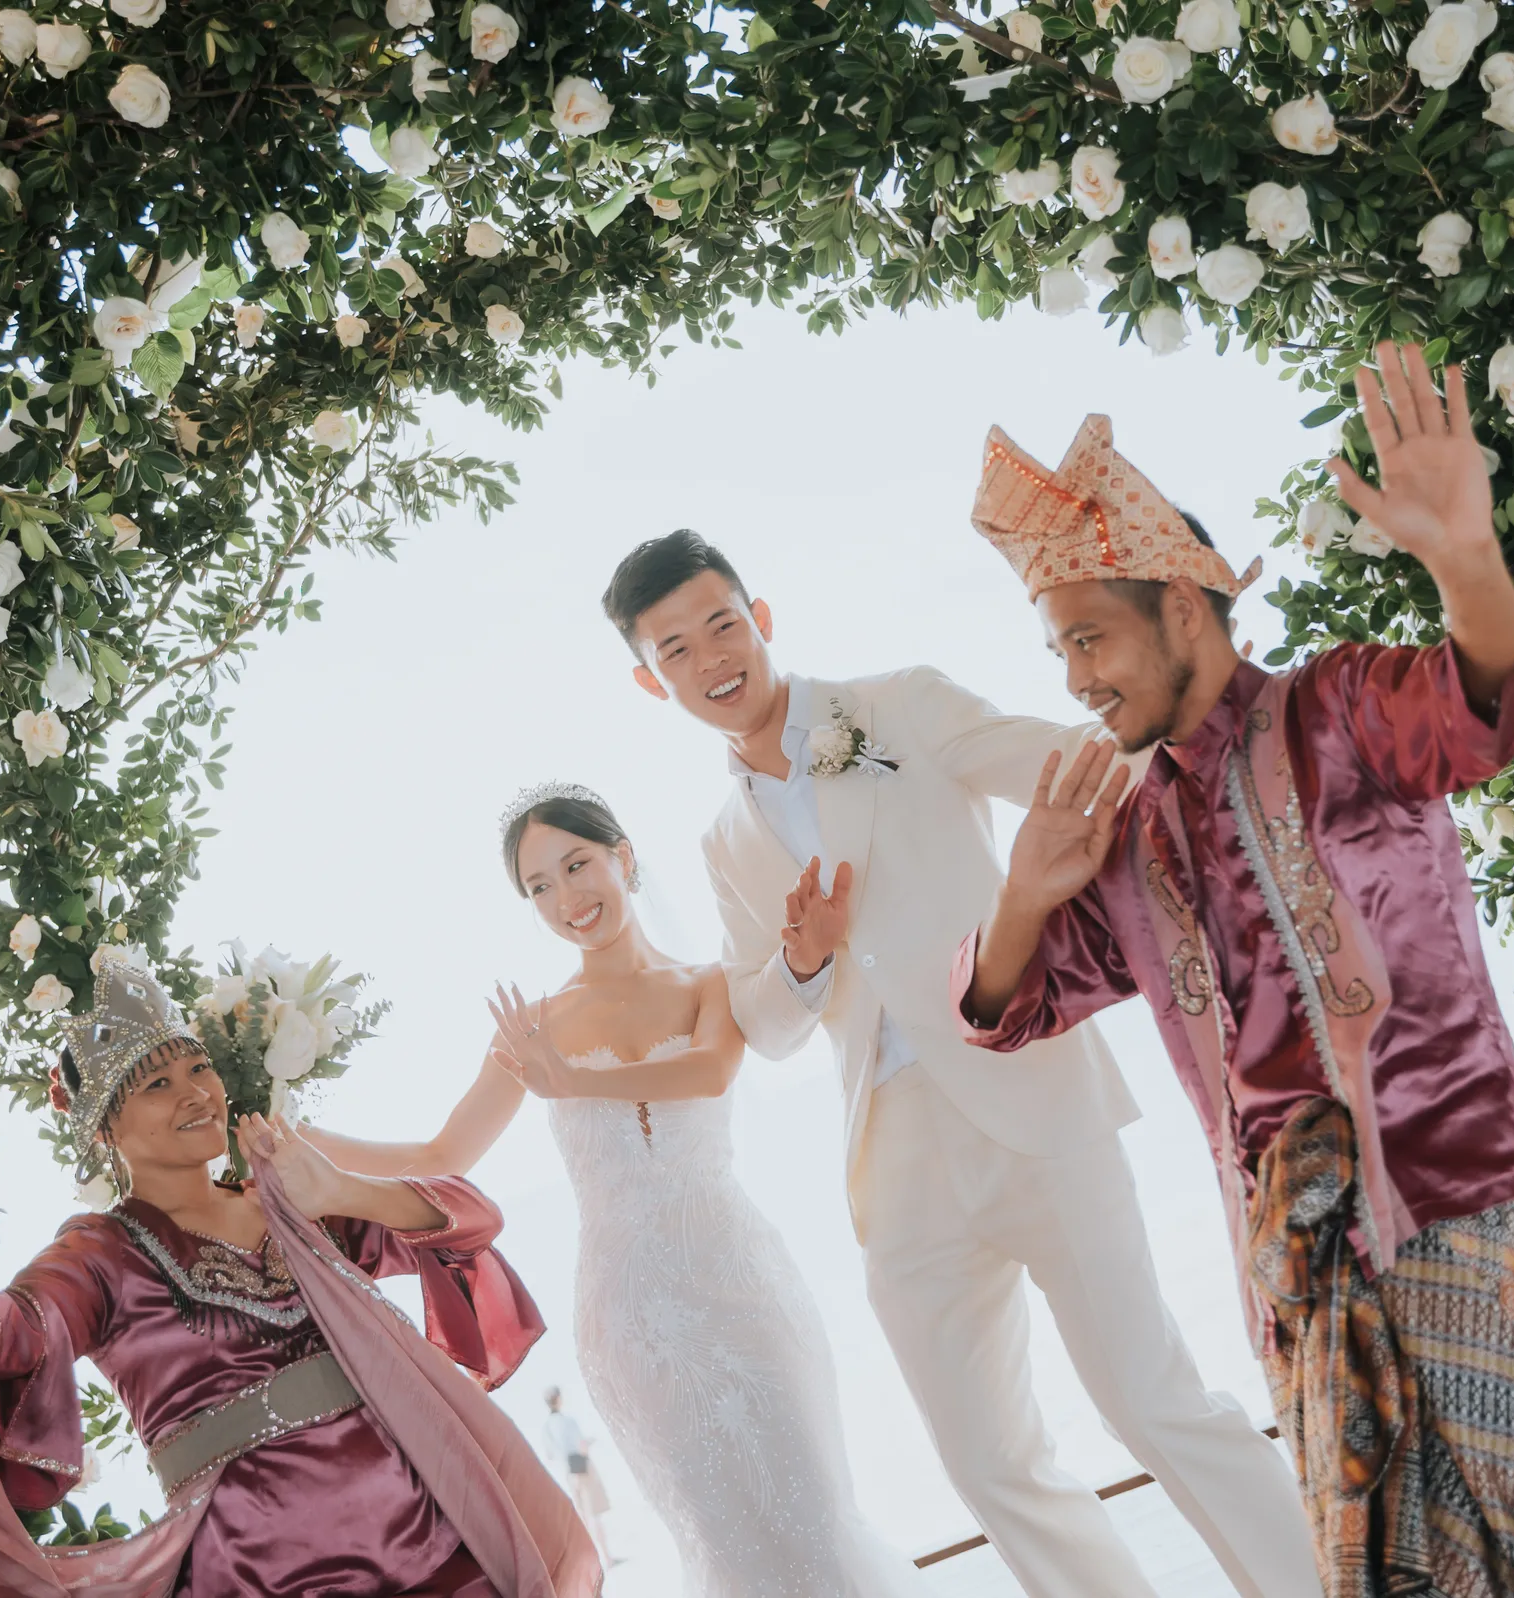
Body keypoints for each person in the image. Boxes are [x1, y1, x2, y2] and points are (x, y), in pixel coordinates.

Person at [954, 346, 1514, 1598]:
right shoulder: (1126, 836)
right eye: (1059, 653)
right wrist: (1024, 892)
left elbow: (1483, 704)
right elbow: (1008, 1005)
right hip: (1293, 1267)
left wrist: (1466, 557)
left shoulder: (1339, 709)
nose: (1078, 679)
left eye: (1089, 637)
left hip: (1454, 1187)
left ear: (1181, 607)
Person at [601, 533, 1320, 1598]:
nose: (711, 657)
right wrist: (803, 958)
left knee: (1152, 1397)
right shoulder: (723, 840)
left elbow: (1070, 765)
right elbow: (766, 1021)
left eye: (722, 624)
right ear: (649, 680)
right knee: (990, 1465)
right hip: (895, 1164)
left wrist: (1204, 692)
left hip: (1032, 1092)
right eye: (675, 649)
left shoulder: (894, 706)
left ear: (762, 617)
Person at [0, 944, 598, 1598]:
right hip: (257, 1568)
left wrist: (342, 1192)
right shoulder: (100, 1252)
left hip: (433, 1537)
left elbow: (468, 1220)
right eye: (158, 1085)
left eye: (198, 1069)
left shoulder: (290, 1195)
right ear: (106, 1132)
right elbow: (18, 1330)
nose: (195, 1094)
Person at [307, 785, 929, 1598]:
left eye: (576, 865)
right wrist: (311, 1145)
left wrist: (572, 1081)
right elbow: (442, 1151)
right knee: (726, 1539)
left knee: (814, 1512)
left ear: (622, 857)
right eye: (539, 886)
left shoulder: (709, 982)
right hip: (630, 1317)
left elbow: (709, 1071)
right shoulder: (533, 1026)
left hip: (743, 1287)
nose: (566, 898)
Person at [541, 1386, 617, 1568]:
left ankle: (593, 1564)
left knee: (584, 1519)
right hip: (582, 1468)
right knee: (594, 1514)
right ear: (559, 1399)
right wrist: (591, 1442)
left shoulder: (547, 1427)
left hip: (568, 1474)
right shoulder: (568, 1421)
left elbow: (550, 1455)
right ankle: (607, 1558)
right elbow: (581, 1445)